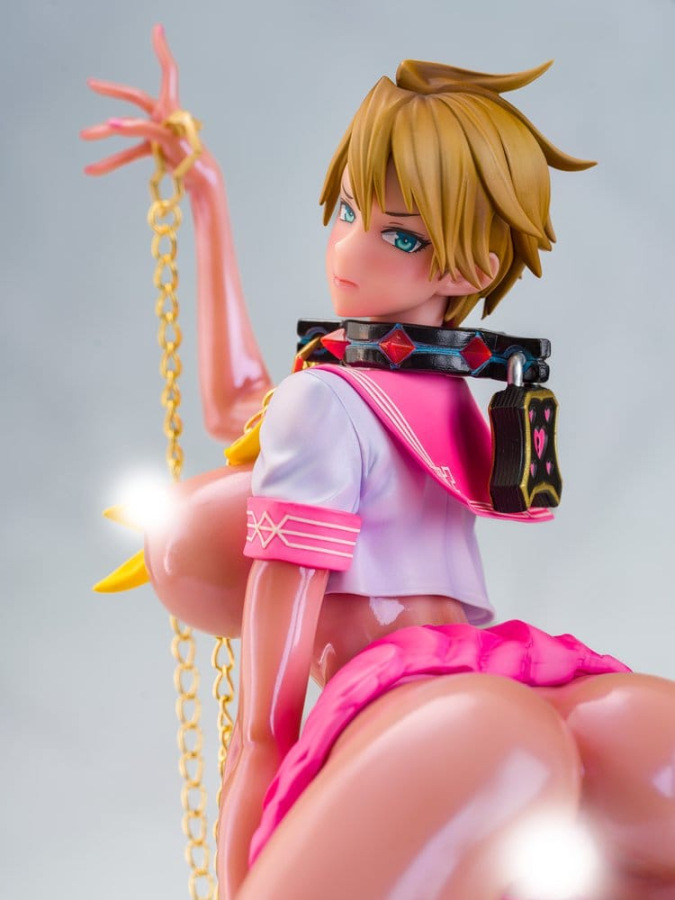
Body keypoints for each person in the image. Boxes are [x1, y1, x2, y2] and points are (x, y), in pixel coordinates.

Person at [84, 26, 675, 899]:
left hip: (413, 695)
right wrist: (205, 197)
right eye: (345, 212)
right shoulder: (433, 390)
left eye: (397, 237)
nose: (346, 250)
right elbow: (239, 403)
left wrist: (252, 806)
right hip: (514, 669)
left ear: (470, 265)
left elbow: (265, 718)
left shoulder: (344, 397)